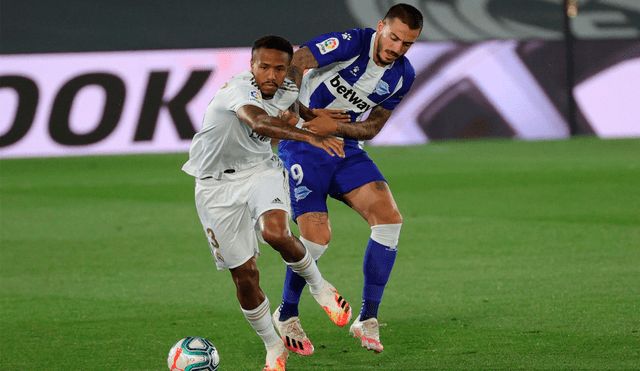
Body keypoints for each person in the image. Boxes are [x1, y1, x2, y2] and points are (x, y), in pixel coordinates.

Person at [181, 35, 352, 371]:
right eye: (263, 67)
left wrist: (309, 113)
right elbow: (260, 121)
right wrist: (311, 135)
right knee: (245, 276)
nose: (270, 75)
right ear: (251, 66)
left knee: (275, 232)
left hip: (260, 170)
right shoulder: (238, 90)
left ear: (287, 69)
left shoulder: (287, 86)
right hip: (214, 186)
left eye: (278, 68)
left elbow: (289, 107)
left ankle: (321, 289)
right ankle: (274, 346)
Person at [273, 4, 423, 355]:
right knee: (318, 238)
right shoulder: (350, 43)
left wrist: (336, 127)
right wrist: (302, 113)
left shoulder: (403, 75)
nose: (397, 49)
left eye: (407, 44)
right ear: (381, 26)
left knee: (388, 219)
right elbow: (296, 62)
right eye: (394, 38)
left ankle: (367, 318)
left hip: (344, 147)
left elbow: (372, 126)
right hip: (303, 142)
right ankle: (287, 313)